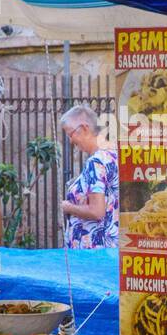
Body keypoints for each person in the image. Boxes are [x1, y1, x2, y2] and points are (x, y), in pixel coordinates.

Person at [59, 105, 119, 248]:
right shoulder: (115, 154)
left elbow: (96, 211)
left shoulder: (96, 161)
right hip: (110, 247)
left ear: (84, 128)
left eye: (70, 134)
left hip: (92, 252)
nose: (71, 141)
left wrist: (68, 207)